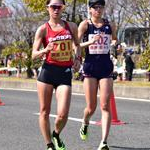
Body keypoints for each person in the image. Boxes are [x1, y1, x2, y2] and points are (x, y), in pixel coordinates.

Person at [32, 0, 81, 150]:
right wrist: (44, 50)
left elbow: (77, 45)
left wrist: (78, 58)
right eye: (53, 6)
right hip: (47, 72)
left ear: (63, 8)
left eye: (59, 7)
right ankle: (49, 145)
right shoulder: (43, 29)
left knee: (62, 114)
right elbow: (33, 55)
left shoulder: (71, 26)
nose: (56, 9)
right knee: (44, 111)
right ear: (48, 8)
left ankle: (56, 134)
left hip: (64, 72)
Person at [78, 0, 117, 149]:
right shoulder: (85, 25)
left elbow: (114, 39)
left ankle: (104, 142)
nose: (98, 10)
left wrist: (114, 43)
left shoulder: (109, 25)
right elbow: (76, 44)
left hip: (105, 66)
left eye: (101, 7)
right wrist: (90, 42)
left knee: (105, 105)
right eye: (95, 7)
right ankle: (85, 122)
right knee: (91, 107)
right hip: (90, 67)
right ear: (90, 9)